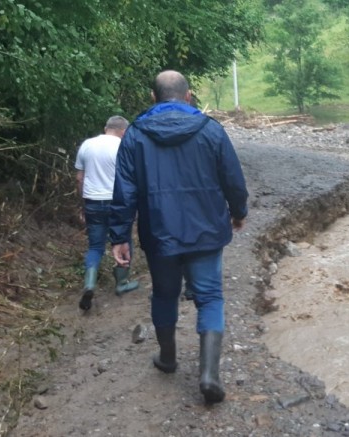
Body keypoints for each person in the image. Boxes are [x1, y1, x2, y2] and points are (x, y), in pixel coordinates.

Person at [109, 70, 248, 404]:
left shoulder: (136, 135)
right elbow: (232, 177)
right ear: (189, 97)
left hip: (159, 233)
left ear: (153, 98)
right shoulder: (211, 130)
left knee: (164, 295)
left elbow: (124, 191)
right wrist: (238, 212)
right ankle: (209, 374)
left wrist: (119, 236)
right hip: (206, 231)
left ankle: (169, 358)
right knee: (210, 297)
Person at [75, 116, 140, 312]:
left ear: (105, 128)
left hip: (93, 202)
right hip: (117, 203)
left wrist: (83, 203)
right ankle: (122, 283)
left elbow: (80, 178)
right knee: (124, 240)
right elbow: (132, 180)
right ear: (124, 131)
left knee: (95, 246)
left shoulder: (87, 145)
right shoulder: (124, 147)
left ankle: (90, 283)